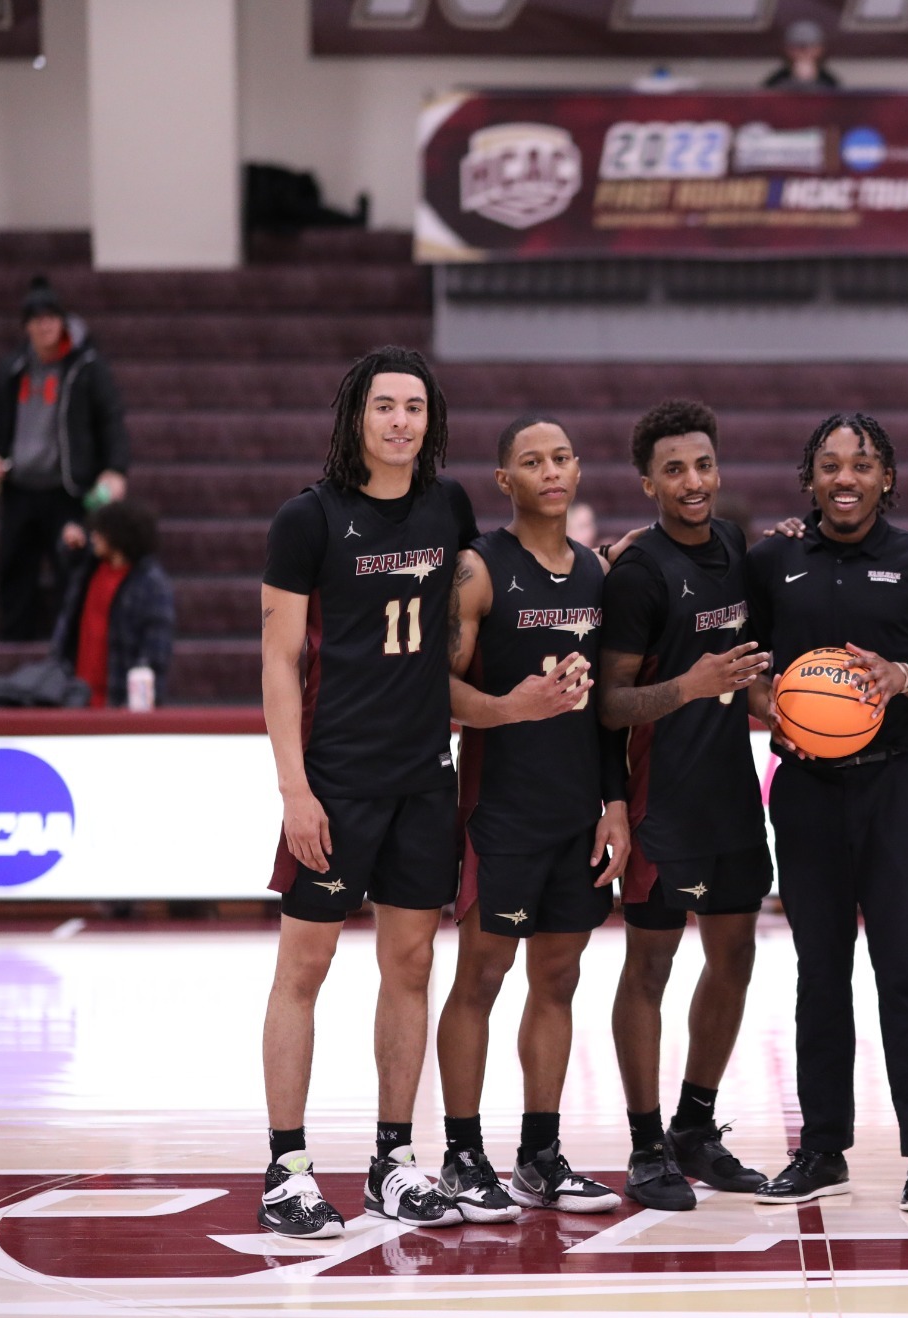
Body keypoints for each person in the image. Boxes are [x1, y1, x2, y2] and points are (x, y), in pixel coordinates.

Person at [256, 346, 479, 1239]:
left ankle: (394, 1158)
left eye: (413, 407)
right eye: (383, 406)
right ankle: (287, 1166)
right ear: (356, 416)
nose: (399, 421)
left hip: (425, 776)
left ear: (431, 420)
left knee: (411, 965)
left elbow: (475, 605)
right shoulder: (308, 519)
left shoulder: (448, 505)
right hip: (337, 780)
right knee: (304, 969)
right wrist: (294, 789)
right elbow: (277, 660)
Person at [745, 412, 908, 1213]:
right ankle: (822, 1150)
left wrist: (902, 676)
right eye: (831, 464)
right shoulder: (772, 561)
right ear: (810, 478)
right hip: (803, 790)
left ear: (886, 478)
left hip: (893, 786)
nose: (846, 477)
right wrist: (775, 709)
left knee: (906, 970)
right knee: (819, 973)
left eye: (861, 465)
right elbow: (749, 670)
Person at [433, 413, 631, 1222]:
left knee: (559, 979)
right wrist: (509, 708)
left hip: (574, 813)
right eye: (530, 461)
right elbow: (432, 688)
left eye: (560, 457)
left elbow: (607, 708)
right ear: (505, 481)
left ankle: (540, 1156)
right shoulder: (479, 570)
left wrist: (613, 801)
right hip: (500, 812)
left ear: (578, 471)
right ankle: (460, 1153)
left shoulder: (596, 574)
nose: (549, 470)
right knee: (481, 976)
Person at [599, 399, 773, 1211]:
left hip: (732, 796)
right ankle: (642, 1145)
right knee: (651, 966)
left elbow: (748, 671)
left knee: (734, 956)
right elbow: (610, 702)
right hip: (661, 796)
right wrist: (691, 685)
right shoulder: (637, 573)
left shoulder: (733, 546)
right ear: (648, 483)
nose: (693, 481)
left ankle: (693, 1128)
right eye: (674, 469)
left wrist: (782, 707)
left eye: (702, 464)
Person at [0, 276, 130, 641]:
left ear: (62, 321)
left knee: (71, 569)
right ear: (26, 326)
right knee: (14, 569)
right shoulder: (12, 367)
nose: (44, 325)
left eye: (50, 318)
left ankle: (69, 650)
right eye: (36, 319)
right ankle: (15, 645)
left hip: (67, 487)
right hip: (19, 486)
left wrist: (115, 469)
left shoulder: (86, 366)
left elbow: (111, 419)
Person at [49, 500, 174, 707]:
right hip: (74, 694)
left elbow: (156, 652)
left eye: (101, 531)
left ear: (119, 535)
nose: (94, 536)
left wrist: (141, 703)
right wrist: (70, 541)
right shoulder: (90, 568)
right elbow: (69, 553)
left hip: (116, 698)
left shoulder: (151, 584)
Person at [763, 18, 840, 89]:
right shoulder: (775, 81)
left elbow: (837, 100)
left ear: (820, 49)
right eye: (797, 47)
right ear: (787, 49)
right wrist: (796, 81)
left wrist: (810, 81)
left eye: (810, 46)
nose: (804, 52)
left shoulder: (830, 82)